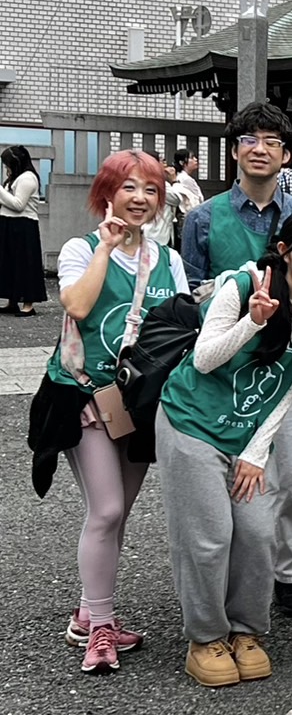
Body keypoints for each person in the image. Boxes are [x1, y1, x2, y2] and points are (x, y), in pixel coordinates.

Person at [156, 210, 292, 687]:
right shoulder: (244, 284)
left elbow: (290, 388)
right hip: (191, 421)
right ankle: (206, 636)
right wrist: (254, 322)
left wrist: (257, 452)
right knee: (210, 537)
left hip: (247, 433)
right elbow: (203, 357)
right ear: (284, 252)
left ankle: (246, 631)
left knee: (258, 533)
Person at [31, 150, 188, 673]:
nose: (140, 198)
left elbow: (182, 329)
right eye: (129, 188)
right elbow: (76, 305)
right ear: (107, 194)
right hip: (82, 396)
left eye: (150, 189)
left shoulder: (170, 259)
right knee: (107, 510)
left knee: (117, 512)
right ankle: (99, 627)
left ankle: (89, 610)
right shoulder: (81, 247)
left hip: (138, 404)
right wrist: (106, 246)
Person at [181, 102, 292, 619]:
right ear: (235, 150)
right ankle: (238, 572)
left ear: (285, 153)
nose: (260, 149)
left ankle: (291, 573)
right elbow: (189, 293)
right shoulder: (202, 217)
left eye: (272, 142)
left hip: (288, 363)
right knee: (230, 474)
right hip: (226, 365)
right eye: (249, 140)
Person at [0, 145, 46, 315]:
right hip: (10, 224)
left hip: (23, 225)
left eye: (8, 164)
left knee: (25, 265)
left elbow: (18, 205)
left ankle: (28, 305)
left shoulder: (27, 178)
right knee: (10, 264)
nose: (6, 168)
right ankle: (12, 301)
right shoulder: (16, 178)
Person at [174, 149, 204, 217]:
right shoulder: (185, 179)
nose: (195, 159)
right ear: (182, 162)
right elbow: (198, 199)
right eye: (192, 158)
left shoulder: (183, 177)